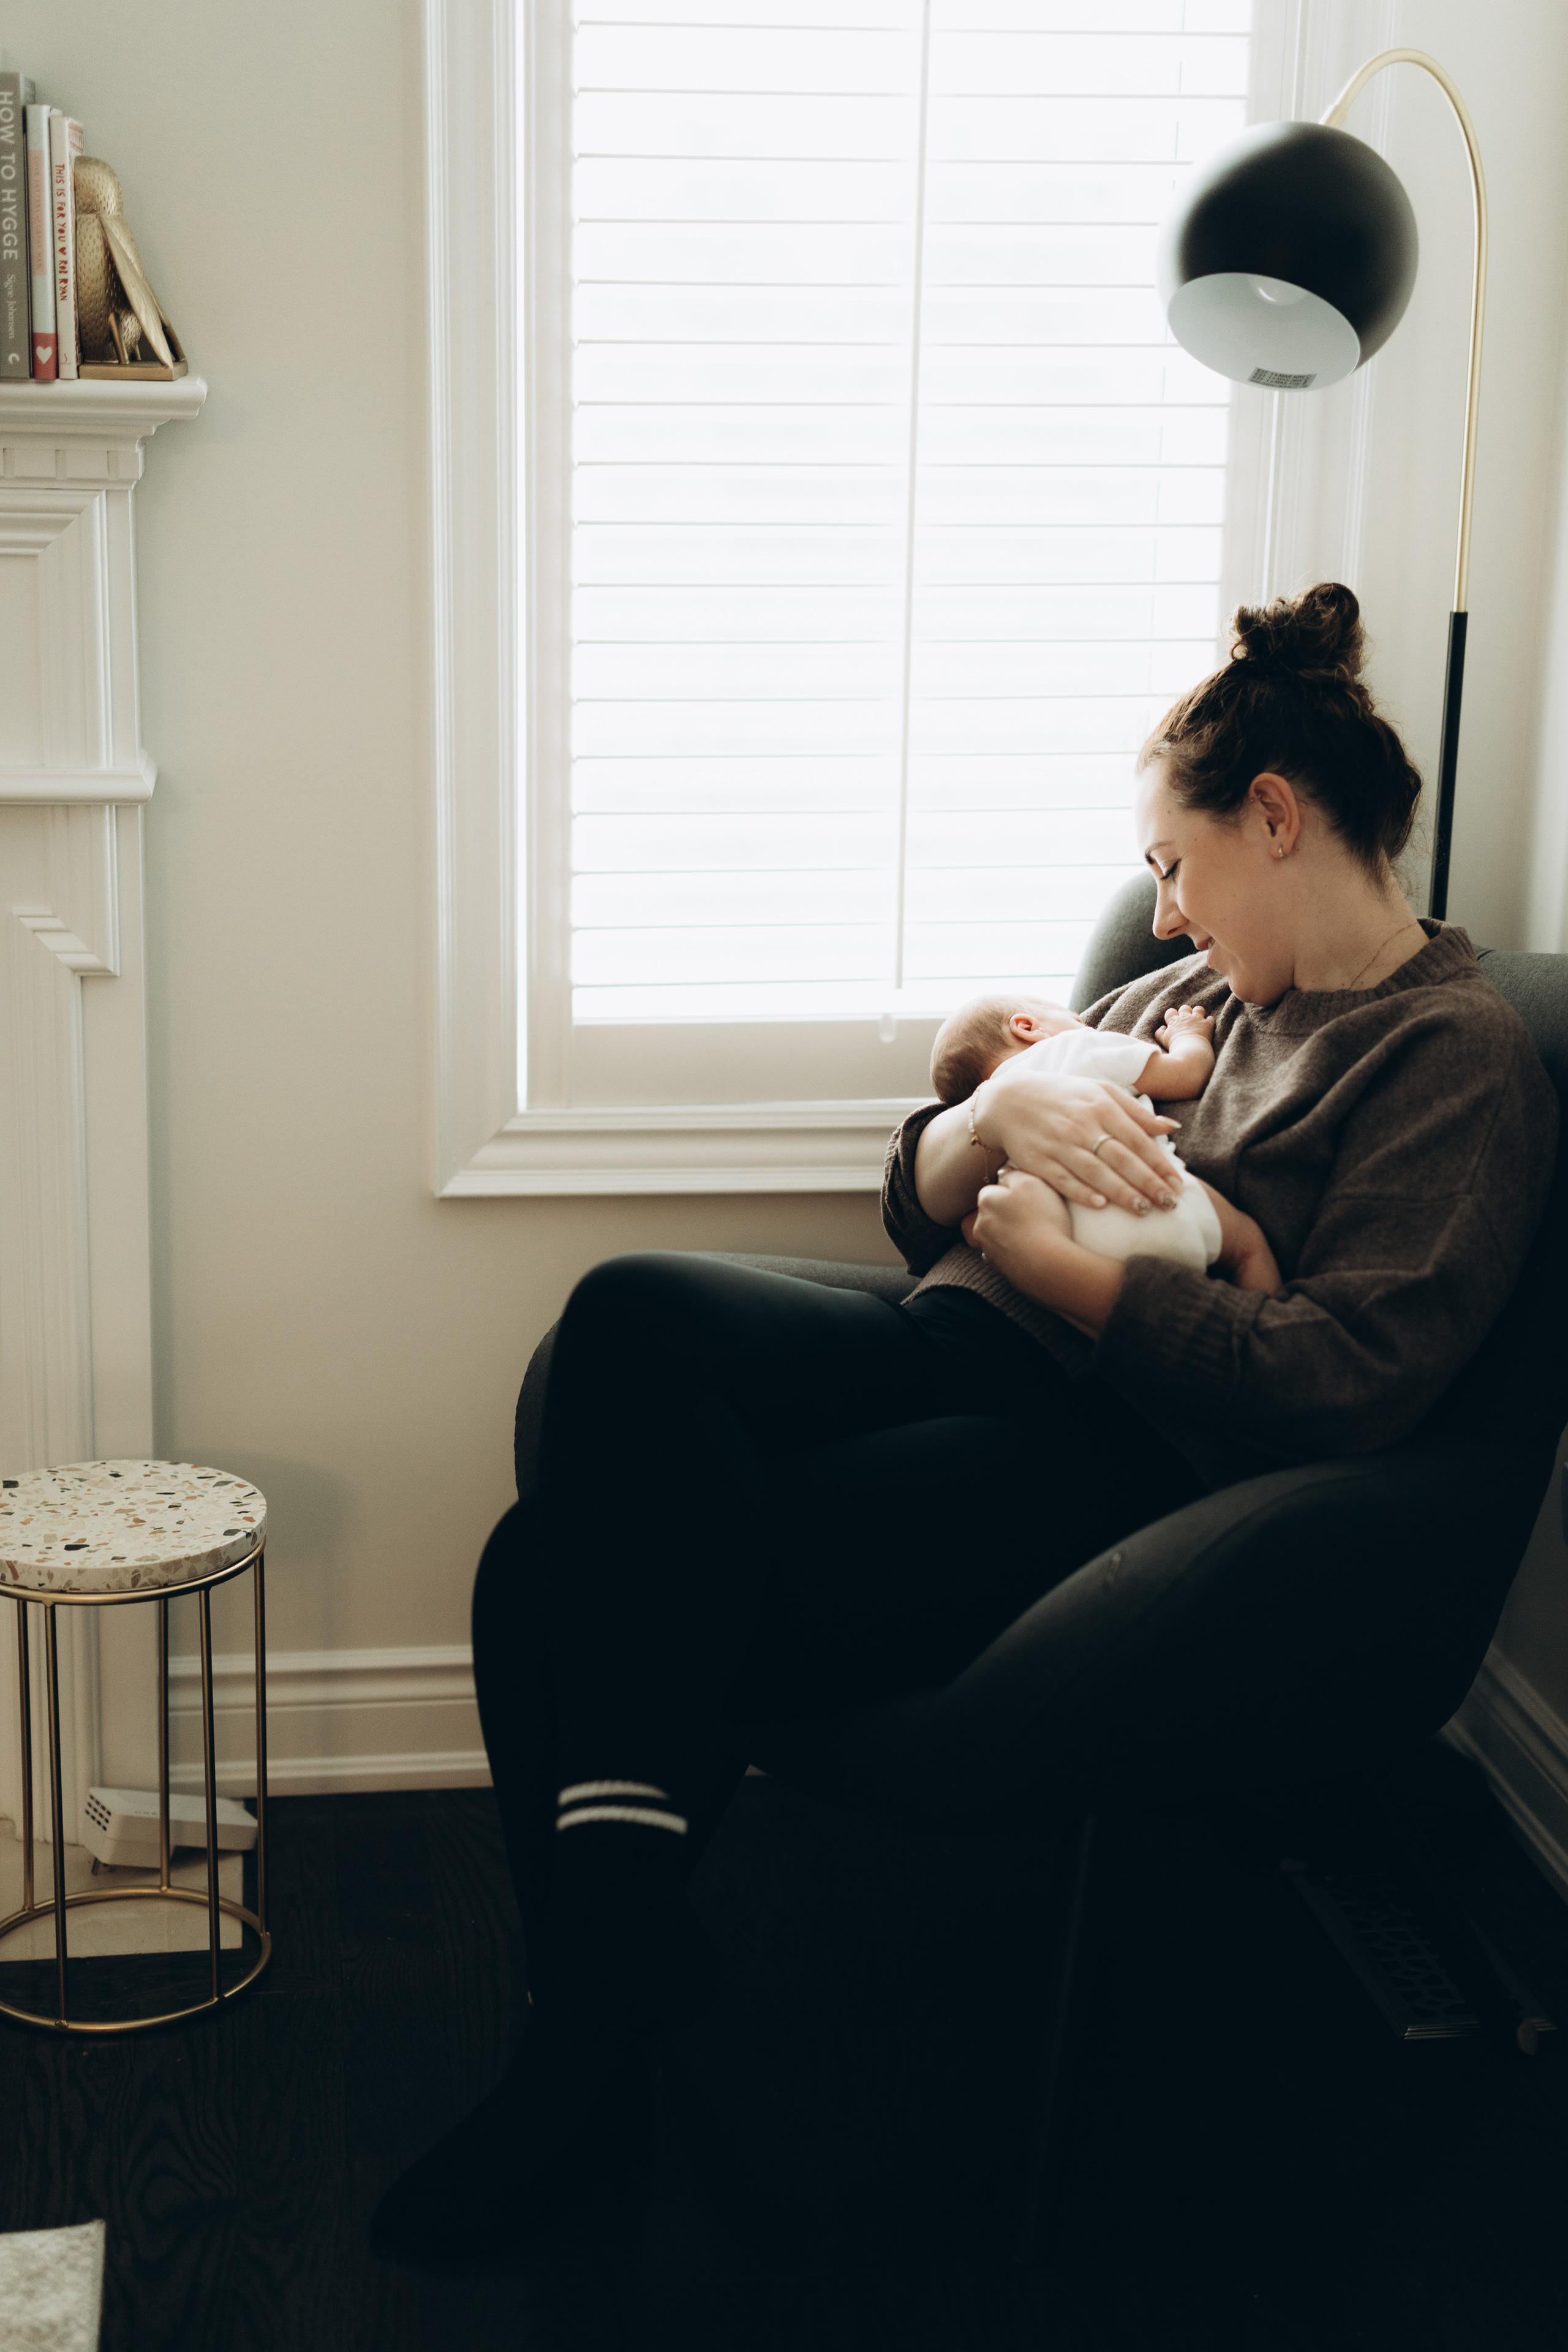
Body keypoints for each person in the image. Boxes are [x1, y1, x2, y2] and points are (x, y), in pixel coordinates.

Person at [371, 582, 1558, 2263]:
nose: (1161, 913)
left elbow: (1344, 1381)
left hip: (1111, 1461)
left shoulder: (1457, 1062)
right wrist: (984, 1117)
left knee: (538, 1575)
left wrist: (1076, 1283)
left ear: (1276, 819)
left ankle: (584, 2044)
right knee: (628, 1315)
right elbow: (919, 1208)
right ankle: (620, 1975)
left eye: (1175, 861)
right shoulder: (1181, 1010)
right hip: (947, 1340)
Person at [929, 990, 1231, 1276]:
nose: (1089, 1027)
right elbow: (1186, 1075)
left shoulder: (995, 1134)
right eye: (1079, 1021)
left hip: (1072, 1241)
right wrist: (1188, 1035)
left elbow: (975, 1222)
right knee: (1248, 1250)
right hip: (1159, 1204)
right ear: (1026, 1027)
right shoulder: (1075, 1046)